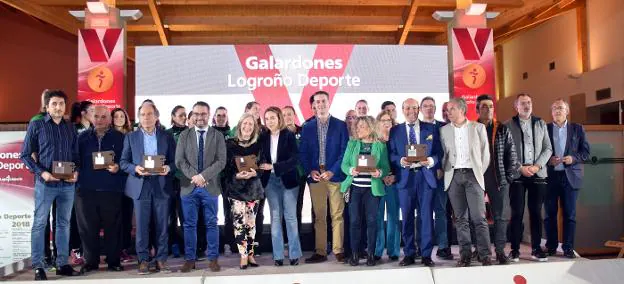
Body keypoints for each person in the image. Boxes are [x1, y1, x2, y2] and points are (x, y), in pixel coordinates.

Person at [20, 90, 82, 280]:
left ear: (65, 106)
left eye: (61, 104)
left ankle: (62, 263)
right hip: (45, 184)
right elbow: (24, 155)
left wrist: (76, 171)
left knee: (63, 224)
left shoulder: (70, 128)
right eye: (54, 103)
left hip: (67, 185)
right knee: (40, 223)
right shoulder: (37, 125)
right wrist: (43, 173)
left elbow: (76, 156)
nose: (58, 107)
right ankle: (39, 266)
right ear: (47, 106)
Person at [120, 103, 176, 275]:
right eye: (143, 114)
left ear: (156, 116)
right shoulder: (131, 137)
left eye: (149, 114)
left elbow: (175, 162)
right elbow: (123, 162)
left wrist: (168, 168)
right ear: (139, 117)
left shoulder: (167, 136)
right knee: (142, 226)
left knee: (162, 225)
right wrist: (135, 168)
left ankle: (161, 259)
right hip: (140, 185)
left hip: (161, 185)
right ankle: (143, 260)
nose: (146, 117)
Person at [387, 98, 440, 267]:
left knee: (426, 218)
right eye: (407, 108)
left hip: (425, 178)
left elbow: (440, 153)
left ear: (419, 110)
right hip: (405, 179)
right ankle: (409, 253)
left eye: (414, 108)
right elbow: (391, 154)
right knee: (407, 218)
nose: (411, 111)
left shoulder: (431, 128)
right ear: (403, 110)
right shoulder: (395, 131)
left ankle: (426, 255)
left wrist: (431, 161)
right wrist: (401, 160)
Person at [440, 98, 492, 267]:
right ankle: (465, 256)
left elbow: (485, 155)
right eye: (447, 110)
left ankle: (484, 255)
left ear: (462, 110)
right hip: (453, 176)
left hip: (473, 176)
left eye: (452, 109)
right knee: (461, 219)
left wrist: (478, 173)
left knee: (479, 218)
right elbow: (444, 155)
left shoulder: (478, 128)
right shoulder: (444, 130)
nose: (448, 112)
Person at [175, 102, 226, 272]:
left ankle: (213, 259)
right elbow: (179, 161)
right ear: (192, 115)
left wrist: (203, 176)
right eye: (196, 113)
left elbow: (221, 161)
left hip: (210, 186)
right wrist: (195, 177)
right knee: (189, 224)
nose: (200, 117)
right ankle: (190, 259)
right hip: (188, 187)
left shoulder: (217, 135)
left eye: (203, 114)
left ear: (209, 114)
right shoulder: (184, 135)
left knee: (212, 223)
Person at [300, 91, 349, 264]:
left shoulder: (341, 125)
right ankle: (320, 251)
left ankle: (338, 250)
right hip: (316, 177)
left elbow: (344, 152)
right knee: (319, 215)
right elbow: (303, 153)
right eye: (317, 102)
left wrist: (333, 171)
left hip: (335, 176)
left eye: (323, 101)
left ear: (329, 103)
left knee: (337, 214)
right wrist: (310, 170)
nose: (320, 104)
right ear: (313, 105)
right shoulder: (307, 127)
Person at [75, 106, 125, 273]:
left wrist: (118, 167)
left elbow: (126, 161)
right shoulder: (81, 138)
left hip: (111, 190)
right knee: (88, 228)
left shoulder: (120, 138)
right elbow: (75, 160)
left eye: (104, 117)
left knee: (113, 227)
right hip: (86, 190)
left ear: (109, 119)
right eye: (96, 116)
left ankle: (114, 261)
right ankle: (90, 262)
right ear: (91, 117)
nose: (100, 120)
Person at [505, 94, 553, 262]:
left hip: (537, 173)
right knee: (517, 213)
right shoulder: (508, 125)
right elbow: (506, 151)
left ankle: (536, 248)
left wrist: (537, 166)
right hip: (518, 174)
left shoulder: (540, 123)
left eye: (529, 102)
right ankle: (515, 249)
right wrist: (520, 167)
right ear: (516, 107)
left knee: (536, 212)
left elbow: (548, 148)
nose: (527, 105)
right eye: (523, 103)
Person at [475, 95, 520, 265]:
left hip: (498, 179)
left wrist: (508, 177)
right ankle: (482, 251)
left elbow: (512, 154)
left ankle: (500, 251)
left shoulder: (501, 128)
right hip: (476, 179)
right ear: (477, 109)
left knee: (500, 217)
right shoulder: (472, 128)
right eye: (484, 106)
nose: (488, 109)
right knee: (478, 218)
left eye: (491, 106)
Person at [341, 116, 390, 266]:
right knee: (354, 221)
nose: (358, 129)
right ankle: (354, 254)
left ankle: (370, 254)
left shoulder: (380, 145)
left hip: (372, 190)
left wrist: (379, 173)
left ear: (370, 127)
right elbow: (344, 165)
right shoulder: (352, 143)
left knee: (371, 222)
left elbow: (386, 167)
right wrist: (351, 170)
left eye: (362, 126)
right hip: (355, 188)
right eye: (357, 127)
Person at [545, 99, 590, 259]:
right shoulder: (545, 128)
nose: (558, 110)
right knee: (550, 214)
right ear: (551, 112)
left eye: (561, 108)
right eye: (555, 108)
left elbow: (585, 152)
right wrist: (548, 160)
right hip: (550, 177)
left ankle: (568, 247)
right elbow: (538, 151)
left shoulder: (577, 129)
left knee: (570, 215)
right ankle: (551, 247)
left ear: (567, 111)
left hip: (571, 177)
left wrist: (574, 158)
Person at [259, 107, 302, 266]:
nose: (269, 121)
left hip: (288, 181)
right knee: (275, 217)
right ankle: (277, 256)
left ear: (279, 119)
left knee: (290, 218)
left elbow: (295, 159)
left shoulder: (289, 135)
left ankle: (294, 254)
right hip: (270, 182)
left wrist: (274, 167)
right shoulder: (262, 137)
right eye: (267, 118)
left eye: (273, 118)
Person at [224, 114, 265, 269]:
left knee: (251, 224)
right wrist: (236, 175)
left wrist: (255, 173)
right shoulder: (230, 144)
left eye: (251, 124)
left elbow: (262, 166)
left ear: (254, 127)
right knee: (239, 223)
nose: (247, 127)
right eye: (245, 123)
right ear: (240, 125)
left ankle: (251, 254)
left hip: (254, 189)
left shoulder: (259, 145)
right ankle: (243, 255)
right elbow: (226, 169)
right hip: (236, 190)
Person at [419, 96, 452, 260]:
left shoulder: (444, 127)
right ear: (420, 109)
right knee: (422, 213)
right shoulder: (415, 127)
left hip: (439, 175)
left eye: (431, 106)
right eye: (425, 106)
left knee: (441, 211)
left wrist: (439, 167)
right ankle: (422, 246)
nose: (429, 109)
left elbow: (446, 150)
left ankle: (443, 246)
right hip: (420, 177)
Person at [374, 110, 400, 262]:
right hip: (378, 182)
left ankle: (393, 250)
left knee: (393, 217)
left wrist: (394, 176)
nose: (386, 123)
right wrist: (382, 176)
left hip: (394, 182)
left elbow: (403, 162)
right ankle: (378, 250)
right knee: (377, 217)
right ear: (378, 123)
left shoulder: (397, 139)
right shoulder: (374, 141)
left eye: (389, 120)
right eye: (383, 120)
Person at [110, 108, 133, 262]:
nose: (119, 118)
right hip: (113, 180)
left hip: (130, 180)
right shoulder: (108, 135)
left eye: (122, 116)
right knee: (113, 217)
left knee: (127, 216)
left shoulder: (132, 136)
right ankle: (114, 249)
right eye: (116, 116)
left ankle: (124, 248)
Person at [166, 106, 188, 258]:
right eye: (180, 115)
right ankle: (172, 245)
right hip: (168, 180)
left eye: (185, 115)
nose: (184, 117)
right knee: (170, 217)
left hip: (186, 181)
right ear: (173, 117)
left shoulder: (191, 132)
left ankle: (189, 246)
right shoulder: (166, 134)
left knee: (186, 216)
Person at [282, 106, 306, 235]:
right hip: (284, 175)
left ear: (294, 115)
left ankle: (297, 238)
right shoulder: (278, 133)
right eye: (284, 115)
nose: (287, 117)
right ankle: (285, 240)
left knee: (297, 207)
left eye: (289, 114)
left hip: (299, 174)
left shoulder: (302, 131)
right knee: (285, 209)